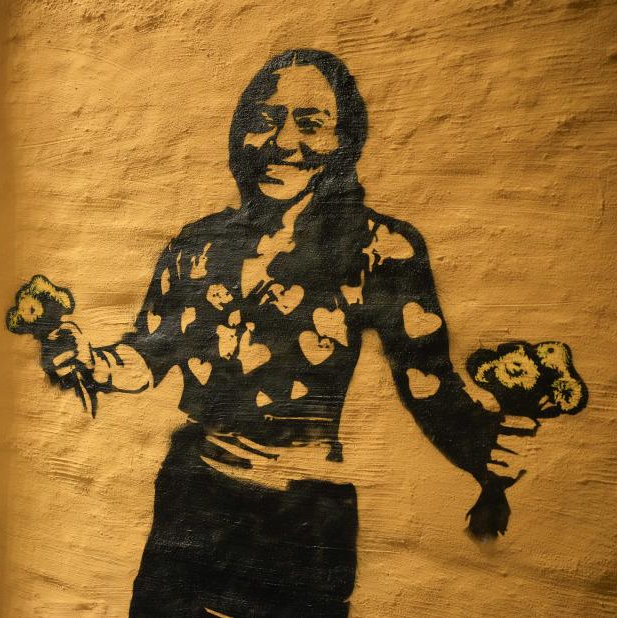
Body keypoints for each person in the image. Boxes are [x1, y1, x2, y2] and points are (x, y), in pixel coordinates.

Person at [36, 50, 533, 617]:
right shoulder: (196, 244)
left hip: (304, 518)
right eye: (266, 119)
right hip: (193, 495)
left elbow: (429, 384)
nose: (284, 141)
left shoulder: (379, 248)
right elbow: (148, 355)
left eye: (311, 123)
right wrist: (91, 361)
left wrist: (484, 448)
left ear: (345, 139)